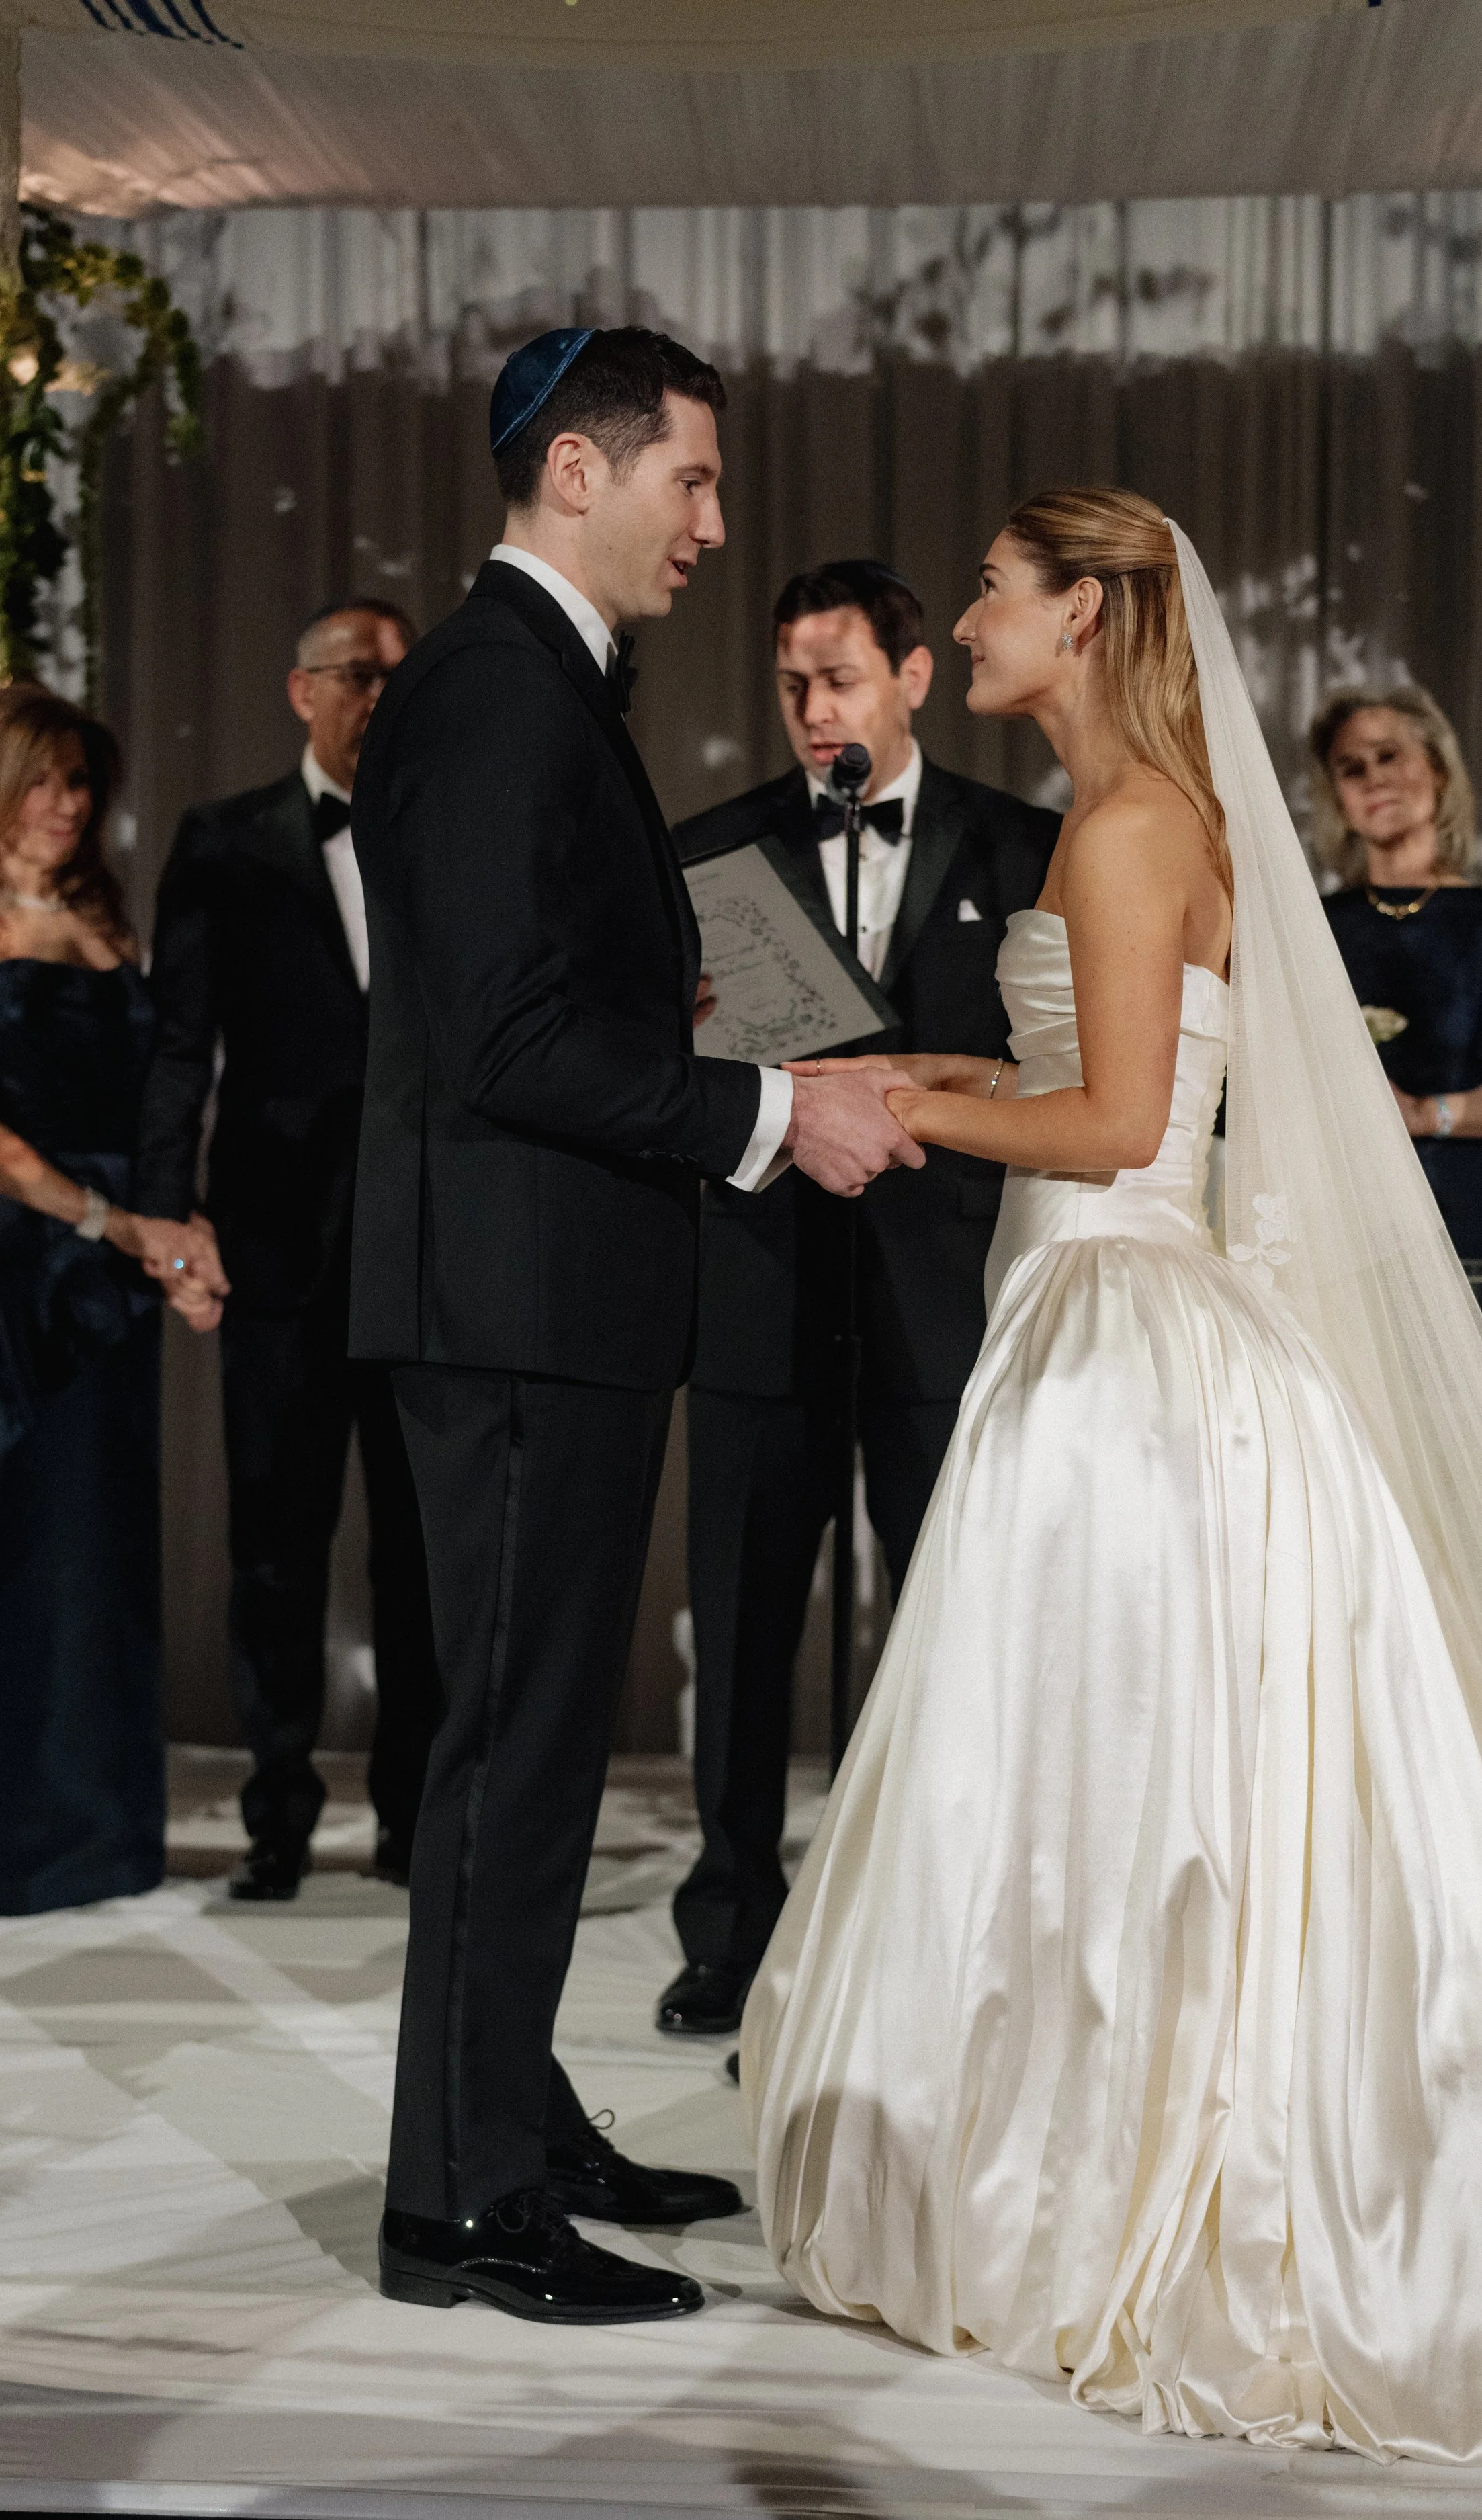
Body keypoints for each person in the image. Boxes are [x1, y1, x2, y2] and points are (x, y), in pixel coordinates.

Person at [743, 489, 1482, 2459]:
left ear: (1077, 613)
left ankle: (1130, 2174)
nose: (971, 618)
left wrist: (902, 1098)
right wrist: (892, 1080)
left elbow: (1113, 1121)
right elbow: (1078, 1084)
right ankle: (1082, 2141)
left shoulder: (1136, 816)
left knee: (1113, 1771)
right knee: (1103, 1778)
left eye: (992, 589)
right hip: (1099, 1309)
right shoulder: (1140, 809)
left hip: (1121, 1340)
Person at [349, 325, 922, 2326]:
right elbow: (500, 1041)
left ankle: (506, 2113)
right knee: (511, 1756)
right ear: (572, 475)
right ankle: (459, 2205)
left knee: (535, 1749)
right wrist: (778, 1103)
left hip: (542, 1294)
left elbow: (509, 1003)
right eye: (687, 478)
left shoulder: (528, 682)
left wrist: (658, 1023)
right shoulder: (499, 690)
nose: (714, 520)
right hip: (511, 1306)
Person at [659, 561, 1057, 2039]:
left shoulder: (1026, 845)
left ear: (910, 676)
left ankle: (941, 1923)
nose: (811, 706)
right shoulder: (711, 853)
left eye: (835, 676)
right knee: (745, 1624)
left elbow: (1064, 1070)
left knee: (950, 1618)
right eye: (788, 684)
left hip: (939, 1297)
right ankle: (729, 1928)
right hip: (762, 1286)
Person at [135, 598, 443, 1901]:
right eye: (358, 675)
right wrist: (165, 1215)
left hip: (424, 1245)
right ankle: (275, 1816)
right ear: (299, 689)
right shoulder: (223, 842)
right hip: (271, 1249)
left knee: (421, 1554)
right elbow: (174, 1045)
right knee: (274, 1549)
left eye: (395, 675)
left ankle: (416, 1823)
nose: (379, 695)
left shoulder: (443, 832)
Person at [0, 685, 223, 1915]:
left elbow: (153, 1107)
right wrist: (110, 1225)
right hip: (19, 1265)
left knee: (95, 1548)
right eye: (42, 782)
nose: (66, 808)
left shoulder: (105, 921)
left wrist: (169, 1248)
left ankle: (94, 1834)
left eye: (81, 785)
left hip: (108, 1273)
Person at [1311, 685, 1482, 1263]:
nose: (1372, 778)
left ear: (1437, 768)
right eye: (1350, 768)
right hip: (1332, 1215)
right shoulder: (1311, 928)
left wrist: (1427, 1115)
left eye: (1389, 756)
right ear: (1337, 798)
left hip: (1458, 1215)